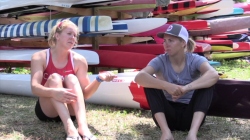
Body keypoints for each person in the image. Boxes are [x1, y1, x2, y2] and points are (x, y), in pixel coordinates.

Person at [30, 20, 116, 140]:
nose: (73, 38)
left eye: (75, 35)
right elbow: (34, 88)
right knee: (54, 78)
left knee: (71, 78)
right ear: (57, 35)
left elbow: (85, 94)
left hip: (71, 110)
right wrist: (54, 92)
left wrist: (98, 79)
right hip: (48, 111)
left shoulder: (79, 60)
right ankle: (70, 129)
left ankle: (83, 128)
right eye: (69, 33)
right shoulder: (40, 57)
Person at [134, 24, 219, 140]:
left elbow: (213, 75)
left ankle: (192, 134)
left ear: (183, 43)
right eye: (164, 41)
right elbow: (139, 77)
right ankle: (166, 133)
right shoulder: (160, 60)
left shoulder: (195, 59)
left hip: (190, 116)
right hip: (167, 117)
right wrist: (167, 86)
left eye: (171, 40)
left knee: (208, 85)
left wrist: (186, 88)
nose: (166, 44)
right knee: (149, 83)